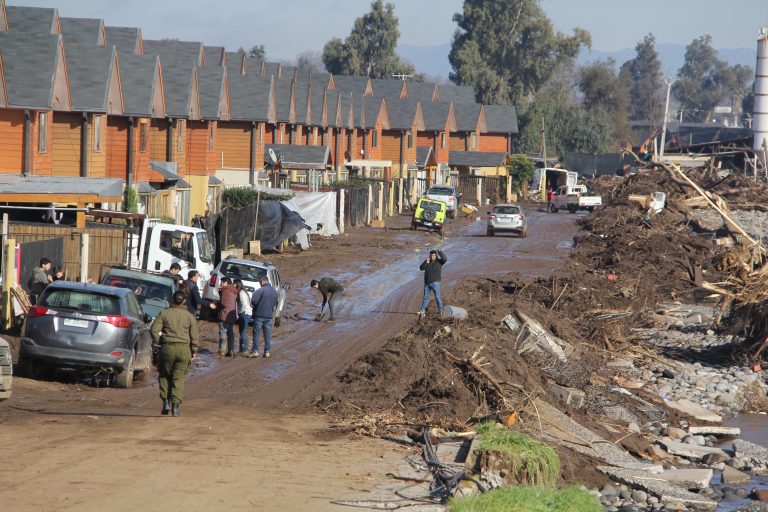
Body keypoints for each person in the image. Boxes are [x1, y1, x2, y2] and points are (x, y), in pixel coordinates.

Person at [150, 291, 199, 417]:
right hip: (184, 350)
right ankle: (175, 408)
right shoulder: (190, 317)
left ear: (172, 300)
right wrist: (193, 351)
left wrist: (159, 342)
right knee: (179, 377)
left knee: (164, 375)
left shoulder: (164, 313)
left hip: (167, 348)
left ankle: (166, 402)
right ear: (184, 301)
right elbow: (194, 337)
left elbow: (154, 330)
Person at [249, 277, 278, 358]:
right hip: (269, 315)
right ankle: (267, 351)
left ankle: (255, 351)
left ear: (262, 282)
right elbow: (275, 303)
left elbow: (254, 301)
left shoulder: (260, 290)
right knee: (267, 334)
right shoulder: (274, 292)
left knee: (256, 334)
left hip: (259, 315)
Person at [418, 249, 447, 316]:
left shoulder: (439, 262)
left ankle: (441, 311)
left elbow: (445, 258)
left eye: (433, 255)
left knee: (437, 297)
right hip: (427, 284)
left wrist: (439, 252)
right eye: (431, 255)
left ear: (436, 255)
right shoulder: (427, 262)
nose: (432, 257)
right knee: (425, 297)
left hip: (435, 283)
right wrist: (426, 262)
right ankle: (422, 311)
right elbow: (421, 268)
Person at [217, 277, 238, 357]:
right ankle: (231, 350)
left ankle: (221, 351)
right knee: (230, 333)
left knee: (223, 332)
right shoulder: (234, 290)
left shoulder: (226, 291)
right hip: (231, 315)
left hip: (225, 315)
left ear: (225, 282)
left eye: (221, 282)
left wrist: (216, 304)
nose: (220, 284)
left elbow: (223, 304)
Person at [234, 279, 252, 354]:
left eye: (234, 284)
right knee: (243, 331)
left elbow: (244, 304)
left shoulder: (241, 293)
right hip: (247, 313)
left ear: (237, 284)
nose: (233, 286)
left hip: (245, 313)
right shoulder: (244, 292)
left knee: (243, 331)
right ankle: (243, 349)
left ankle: (244, 349)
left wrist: (241, 312)